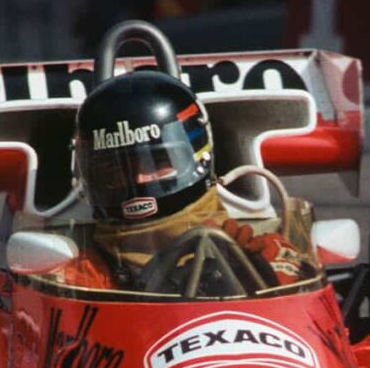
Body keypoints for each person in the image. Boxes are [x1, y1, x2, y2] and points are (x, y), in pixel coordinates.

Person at [54, 67, 316, 293]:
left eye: (157, 163)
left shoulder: (259, 251)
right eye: (116, 171)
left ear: (198, 157)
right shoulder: (84, 277)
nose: (139, 179)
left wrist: (261, 281)